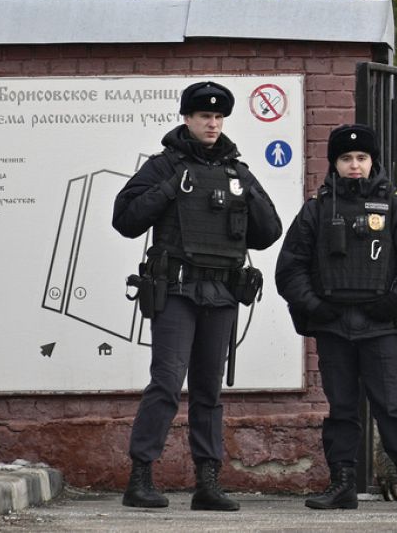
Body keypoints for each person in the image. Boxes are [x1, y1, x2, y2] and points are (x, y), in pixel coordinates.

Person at [112, 80, 282, 511]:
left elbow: (269, 233)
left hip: (222, 291)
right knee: (167, 383)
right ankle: (141, 478)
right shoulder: (164, 165)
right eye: (204, 116)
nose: (212, 123)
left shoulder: (237, 171)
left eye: (218, 117)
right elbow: (126, 218)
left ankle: (207, 482)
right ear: (186, 119)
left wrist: (247, 191)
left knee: (208, 391)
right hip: (176, 289)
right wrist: (172, 187)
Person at [275, 123, 397, 511]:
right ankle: (343, 484)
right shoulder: (316, 209)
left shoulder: (394, 206)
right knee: (342, 410)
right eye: (346, 158)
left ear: (372, 161)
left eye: (361, 158)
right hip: (334, 327)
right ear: (334, 163)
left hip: (380, 327)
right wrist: (315, 306)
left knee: (392, 407)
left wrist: (393, 297)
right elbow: (289, 269)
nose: (354, 165)